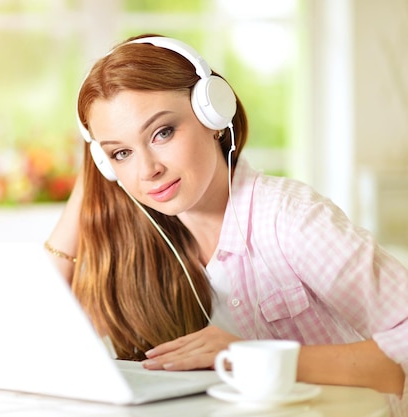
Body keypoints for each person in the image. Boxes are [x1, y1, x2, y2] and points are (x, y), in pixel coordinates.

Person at [45, 33, 408, 412]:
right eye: (120, 153)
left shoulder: (290, 218)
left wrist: (252, 355)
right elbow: (41, 331)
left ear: (213, 115)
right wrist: (87, 185)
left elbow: (402, 350)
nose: (148, 170)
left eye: (163, 132)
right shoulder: (144, 243)